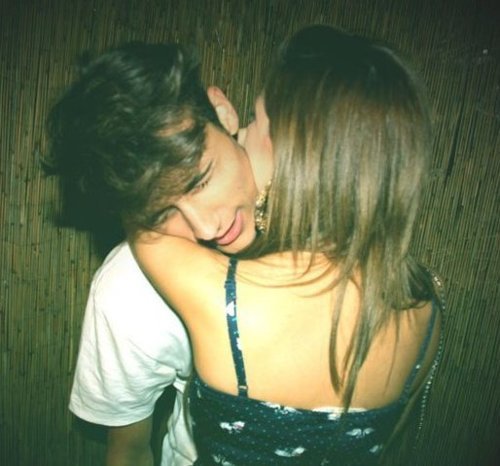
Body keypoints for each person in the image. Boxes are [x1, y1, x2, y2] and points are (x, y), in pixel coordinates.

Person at [131, 25, 444, 465]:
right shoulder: (427, 314)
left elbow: (138, 214)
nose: (243, 133)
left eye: (256, 120)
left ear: (294, 152)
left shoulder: (223, 298)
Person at [46, 42, 272, 466]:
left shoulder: (325, 196)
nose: (206, 228)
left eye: (200, 180)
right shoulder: (127, 290)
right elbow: (129, 452)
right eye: (161, 213)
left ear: (223, 113)